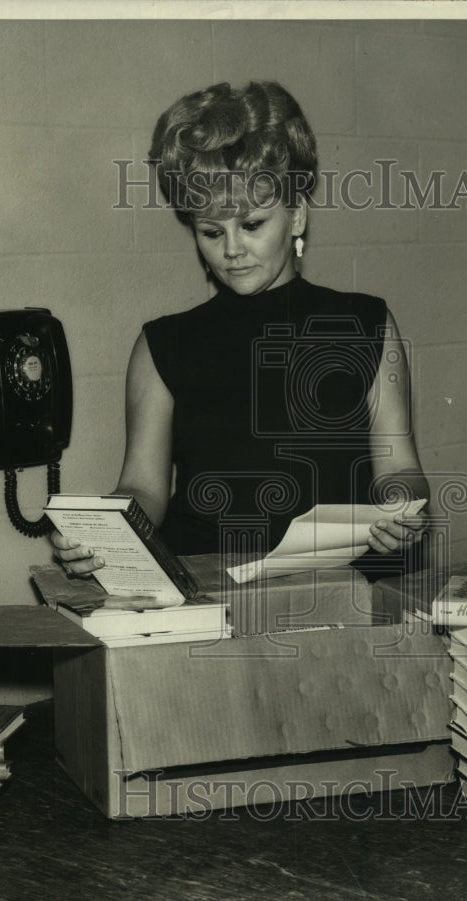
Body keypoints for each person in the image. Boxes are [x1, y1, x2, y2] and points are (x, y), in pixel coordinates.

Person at [52, 80, 429, 578]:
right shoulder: (162, 344)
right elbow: (143, 488)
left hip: (342, 586)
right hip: (208, 587)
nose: (231, 250)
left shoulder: (368, 324)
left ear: (296, 216)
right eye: (211, 231)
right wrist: (103, 533)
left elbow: (399, 467)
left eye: (251, 224)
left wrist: (402, 508)